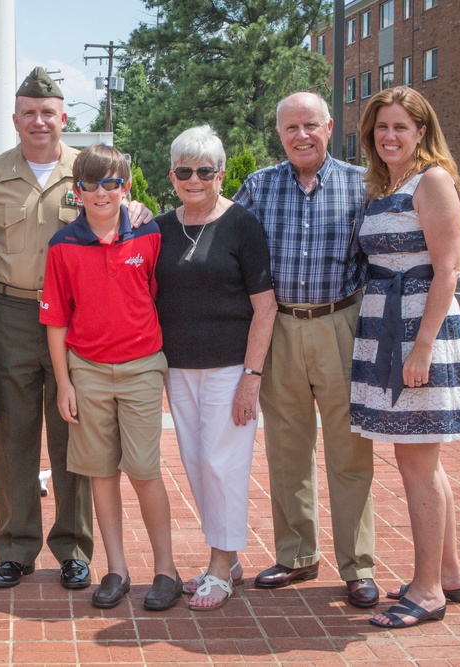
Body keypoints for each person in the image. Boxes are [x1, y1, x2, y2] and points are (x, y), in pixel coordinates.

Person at [0, 67, 151, 591]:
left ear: (64, 117)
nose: (38, 121)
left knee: (74, 428)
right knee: (16, 431)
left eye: (47, 112)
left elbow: (125, 212)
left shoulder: (89, 170)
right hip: (11, 312)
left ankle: (74, 548)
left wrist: (135, 209)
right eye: (28, 112)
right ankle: (16, 547)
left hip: (77, 318)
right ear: (15, 118)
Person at [234, 92, 379, 609]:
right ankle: (296, 555)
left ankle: (358, 564)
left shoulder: (361, 183)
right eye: (291, 127)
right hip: (280, 328)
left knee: (349, 449)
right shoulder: (259, 186)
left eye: (310, 125)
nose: (301, 136)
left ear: (330, 126)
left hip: (342, 322)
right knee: (287, 448)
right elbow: (224, 238)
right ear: (279, 134)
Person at [40, 144, 180, 611]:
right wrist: (64, 383)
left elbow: (158, 293)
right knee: (101, 473)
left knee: (143, 470)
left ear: (127, 186)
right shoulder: (62, 246)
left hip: (141, 366)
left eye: (112, 183)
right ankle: (115, 569)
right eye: (91, 184)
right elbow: (57, 319)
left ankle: (166, 570)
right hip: (88, 372)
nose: (102, 192)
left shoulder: (150, 234)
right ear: (76, 191)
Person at [351, 87, 460, 629]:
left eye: (400, 126)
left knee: (416, 463)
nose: (389, 136)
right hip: (384, 329)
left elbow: (447, 269)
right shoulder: (384, 186)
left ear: (423, 130)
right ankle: (447, 572)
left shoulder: (433, 181)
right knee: (424, 459)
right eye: (381, 128)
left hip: (419, 332)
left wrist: (421, 347)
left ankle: (425, 592)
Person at [155, 126, 276, 611]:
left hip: (231, 367)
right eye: (184, 171)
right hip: (178, 367)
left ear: (221, 174)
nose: (194, 179)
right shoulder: (161, 227)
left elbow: (265, 307)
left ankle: (221, 566)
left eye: (204, 171)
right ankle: (225, 557)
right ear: (172, 175)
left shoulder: (242, 225)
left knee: (223, 465)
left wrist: (252, 376)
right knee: (196, 463)